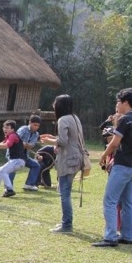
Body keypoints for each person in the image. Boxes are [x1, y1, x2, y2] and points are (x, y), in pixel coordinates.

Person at [93, 88, 132, 247]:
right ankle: (128, 236)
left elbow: (115, 143)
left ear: (125, 102)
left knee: (110, 201)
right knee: (127, 202)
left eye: (118, 101)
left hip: (122, 166)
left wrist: (103, 155)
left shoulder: (125, 120)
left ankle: (110, 237)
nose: (117, 104)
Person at [40, 95, 85, 233]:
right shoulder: (74, 118)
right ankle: (66, 223)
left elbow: (64, 142)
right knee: (65, 191)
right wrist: (54, 139)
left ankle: (66, 225)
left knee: (64, 193)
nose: (53, 105)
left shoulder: (62, 119)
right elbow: (70, 140)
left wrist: (50, 142)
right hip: (77, 158)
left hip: (68, 160)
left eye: (55, 103)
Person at [0, 120, 25, 198]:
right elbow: (3, 144)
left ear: (12, 129)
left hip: (18, 161)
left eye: (7, 128)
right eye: (4, 127)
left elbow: (7, 145)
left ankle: (9, 190)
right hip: (16, 161)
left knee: (3, 171)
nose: (5, 129)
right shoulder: (9, 136)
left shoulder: (13, 136)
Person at [9, 115, 42, 191]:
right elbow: (16, 141)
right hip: (14, 154)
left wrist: (24, 144)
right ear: (30, 122)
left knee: (36, 165)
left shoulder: (36, 134)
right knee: (12, 168)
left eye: (38, 126)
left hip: (24, 156)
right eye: (35, 125)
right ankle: (8, 187)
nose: (36, 127)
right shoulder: (23, 129)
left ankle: (29, 184)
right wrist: (24, 144)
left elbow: (31, 146)